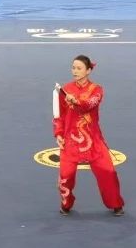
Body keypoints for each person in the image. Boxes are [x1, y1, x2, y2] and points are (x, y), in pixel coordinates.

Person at [53, 55, 124, 217]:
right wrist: (58, 133)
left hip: (94, 140)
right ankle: (66, 204)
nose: (75, 71)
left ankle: (116, 204)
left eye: (79, 68)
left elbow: (89, 104)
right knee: (65, 176)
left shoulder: (97, 90)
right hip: (70, 140)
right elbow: (59, 115)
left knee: (108, 172)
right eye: (73, 68)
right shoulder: (65, 90)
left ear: (88, 71)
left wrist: (76, 101)